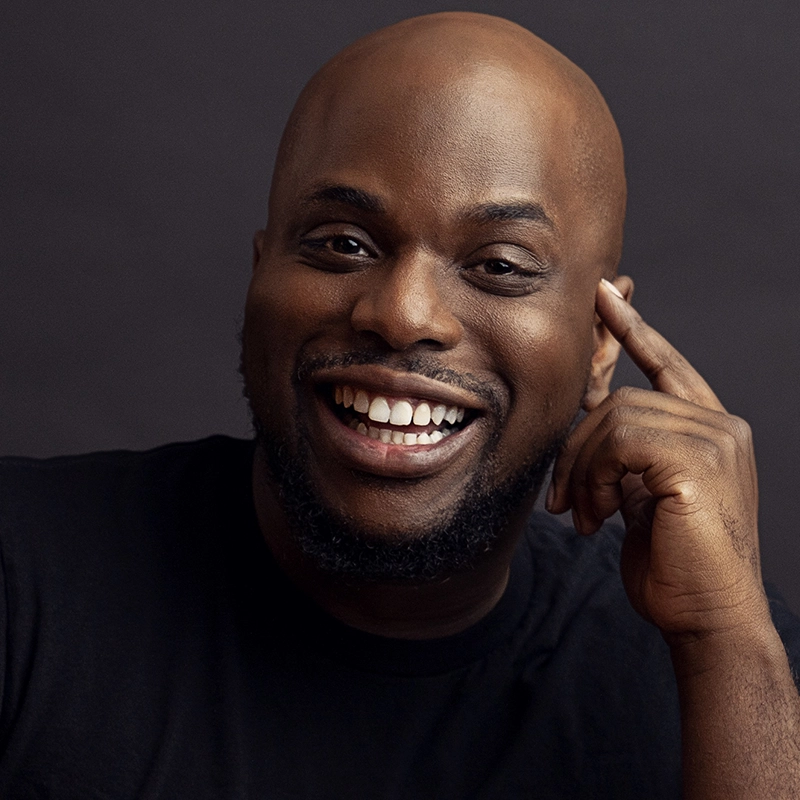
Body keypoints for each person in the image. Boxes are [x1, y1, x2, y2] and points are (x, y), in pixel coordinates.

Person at [1, 11, 798, 798]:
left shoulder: (735, 675)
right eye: (343, 243)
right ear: (259, 276)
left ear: (600, 344)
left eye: (500, 265)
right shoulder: (25, 577)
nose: (405, 313)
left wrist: (726, 645)